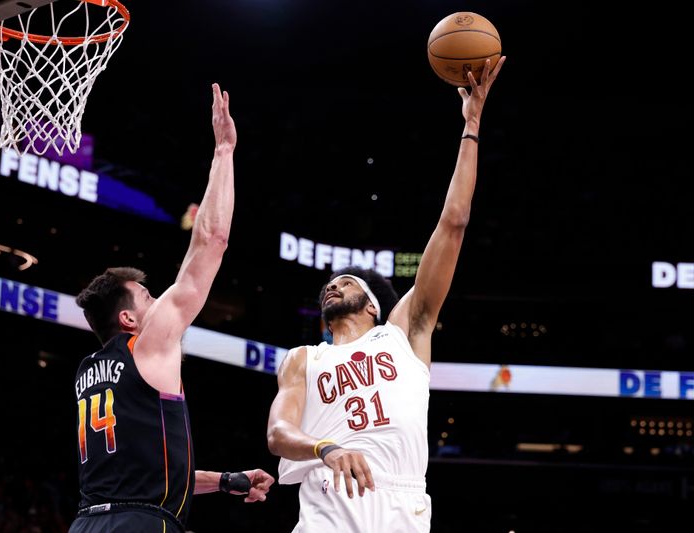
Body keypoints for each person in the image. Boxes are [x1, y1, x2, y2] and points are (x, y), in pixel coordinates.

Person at [266, 57, 506, 532]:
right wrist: (325, 448)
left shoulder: (403, 332)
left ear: (374, 305)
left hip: (402, 501)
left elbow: (453, 222)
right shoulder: (303, 359)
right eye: (329, 286)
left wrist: (472, 125)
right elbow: (278, 433)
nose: (333, 284)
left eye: (347, 281)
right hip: (330, 497)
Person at [69, 83, 275, 533]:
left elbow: (144, 478)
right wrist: (224, 151)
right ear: (127, 319)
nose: (159, 301)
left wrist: (224, 481)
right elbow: (211, 243)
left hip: (88, 523)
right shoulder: (145, 345)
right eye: (148, 298)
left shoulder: (88, 371)